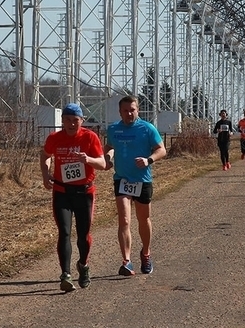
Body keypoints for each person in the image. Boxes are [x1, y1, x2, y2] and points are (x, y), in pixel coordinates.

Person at [40, 103, 106, 292]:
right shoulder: (55, 138)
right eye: (67, 120)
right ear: (62, 121)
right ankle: (65, 275)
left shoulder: (90, 137)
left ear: (81, 121)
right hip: (62, 192)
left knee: (83, 236)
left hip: (84, 193)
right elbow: (45, 155)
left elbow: (102, 164)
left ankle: (83, 265)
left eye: (75, 120)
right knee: (65, 232)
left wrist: (88, 160)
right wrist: (46, 174)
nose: (71, 124)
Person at [103, 96, 167, 276]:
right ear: (120, 112)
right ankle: (127, 261)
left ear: (137, 110)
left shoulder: (147, 128)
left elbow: (161, 149)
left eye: (132, 110)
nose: (129, 113)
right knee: (124, 220)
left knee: (143, 219)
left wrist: (149, 160)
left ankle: (146, 253)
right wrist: (107, 158)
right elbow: (107, 146)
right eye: (125, 110)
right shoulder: (114, 129)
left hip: (142, 180)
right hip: (122, 180)